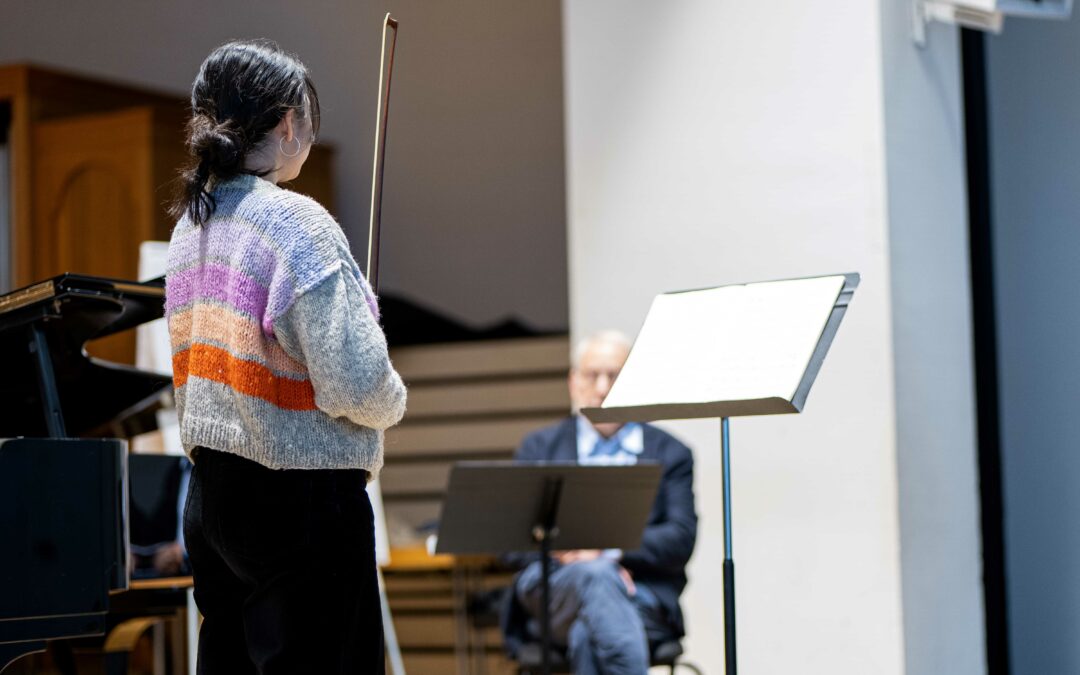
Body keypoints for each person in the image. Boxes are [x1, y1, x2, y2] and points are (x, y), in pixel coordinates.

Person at [165, 40, 407, 675]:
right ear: (289, 123)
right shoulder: (298, 225)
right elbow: (357, 383)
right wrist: (391, 395)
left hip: (214, 498)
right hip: (300, 499)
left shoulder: (192, 226)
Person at [502, 331, 697, 675]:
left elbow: (680, 538)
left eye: (616, 375)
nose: (604, 388)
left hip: (642, 594)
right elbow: (510, 545)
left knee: (588, 634)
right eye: (593, 375)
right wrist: (572, 550)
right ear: (573, 381)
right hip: (553, 594)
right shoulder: (539, 449)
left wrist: (606, 549)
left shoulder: (671, 453)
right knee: (599, 577)